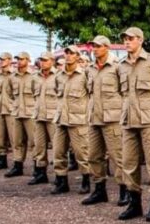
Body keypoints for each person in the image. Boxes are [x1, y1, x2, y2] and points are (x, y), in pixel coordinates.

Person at [116, 27, 150, 222]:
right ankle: (134, 203)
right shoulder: (120, 65)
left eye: (130, 38)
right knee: (129, 163)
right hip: (129, 119)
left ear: (140, 40)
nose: (127, 42)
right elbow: (119, 91)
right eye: (125, 38)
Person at [82, 36, 127, 206]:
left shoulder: (117, 67)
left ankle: (125, 190)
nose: (95, 49)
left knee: (118, 157)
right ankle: (99, 190)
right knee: (94, 156)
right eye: (93, 46)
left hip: (112, 118)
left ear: (107, 48)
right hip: (95, 118)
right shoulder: (91, 69)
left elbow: (124, 91)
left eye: (98, 46)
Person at [51, 46, 91, 195]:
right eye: (66, 53)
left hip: (78, 120)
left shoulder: (84, 75)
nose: (68, 56)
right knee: (58, 152)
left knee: (82, 153)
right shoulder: (59, 76)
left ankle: (86, 181)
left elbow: (91, 94)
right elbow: (57, 93)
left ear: (78, 57)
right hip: (61, 119)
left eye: (72, 53)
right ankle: (61, 182)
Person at [5, 52, 38, 178]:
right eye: (17, 59)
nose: (19, 61)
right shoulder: (12, 77)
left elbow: (37, 94)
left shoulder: (34, 76)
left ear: (28, 60)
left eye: (22, 59)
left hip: (30, 113)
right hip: (17, 112)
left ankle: (37, 167)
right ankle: (18, 165)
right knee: (17, 141)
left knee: (34, 142)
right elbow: (10, 93)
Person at [29, 53, 57, 185]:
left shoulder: (58, 76)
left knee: (57, 147)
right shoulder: (35, 77)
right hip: (39, 115)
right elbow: (34, 95)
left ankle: (59, 176)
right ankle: (41, 173)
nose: (43, 63)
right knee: (39, 146)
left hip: (53, 116)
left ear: (52, 61)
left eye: (45, 60)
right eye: (41, 60)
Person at [0, 52, 16, 172]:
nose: (1, 61)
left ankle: (17, 163)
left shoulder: (15, 75)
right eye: (0, 59)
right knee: (0, 137)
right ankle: (2, 160)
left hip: (11, 110)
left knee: (14, 138)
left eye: (4, 59)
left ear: (10, 60)